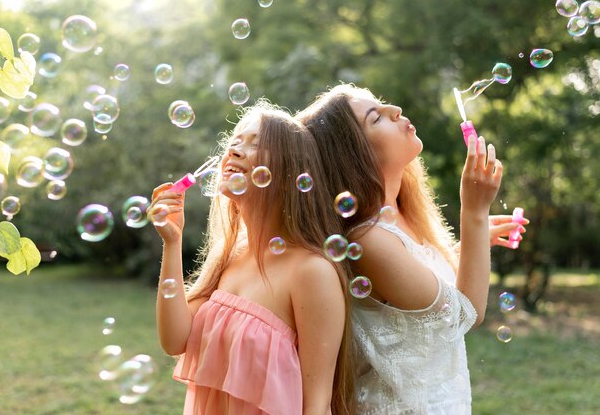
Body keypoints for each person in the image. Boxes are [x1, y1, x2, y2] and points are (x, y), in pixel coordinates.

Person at [297, 84, 528, 414]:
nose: (396, 112)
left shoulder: (400, 219)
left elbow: (429, 286)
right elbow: (465, 313)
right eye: (376, 118)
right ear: (354, 155)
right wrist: (474, 213)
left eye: (385, 105)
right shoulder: (368, 240)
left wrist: (468, 246)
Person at [149, 101, 354, 415]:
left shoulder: (311, 272)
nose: (235, 151)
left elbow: (316, 404)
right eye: (234, 142)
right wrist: (172, 242)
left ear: (289, 171)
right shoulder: (230, 257)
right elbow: (174, 340)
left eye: (256, 145)